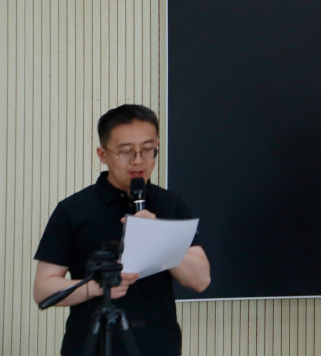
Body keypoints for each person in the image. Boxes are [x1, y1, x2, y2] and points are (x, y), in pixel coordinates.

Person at [32, 104, 211, 356]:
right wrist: (98, 287)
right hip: (91, 346)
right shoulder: (73, 209)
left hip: (158, 346)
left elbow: (200, 280)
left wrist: (158, 237)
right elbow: (43, 290)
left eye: (147, 150)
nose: (138, 160)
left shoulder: (172, 204)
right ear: (103, 154)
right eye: (126, 152)